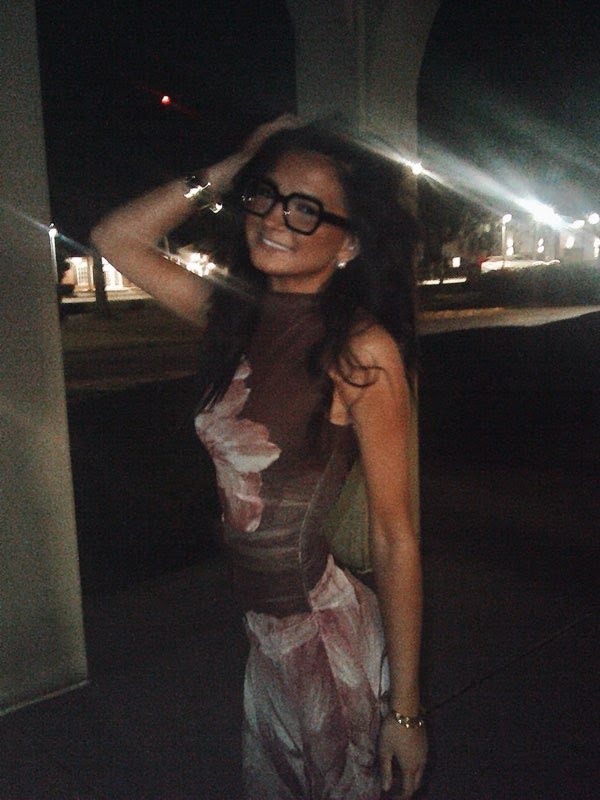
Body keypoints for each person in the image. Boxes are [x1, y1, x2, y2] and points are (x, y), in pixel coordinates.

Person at [92, 115, 427, 800]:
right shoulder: (235, 316)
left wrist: (406, 710)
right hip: (265, 633)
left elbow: (396, 537)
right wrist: (230, 167)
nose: (274, 218)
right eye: (266, 195)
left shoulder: (361, 351)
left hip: (323, 634)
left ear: (349, 242)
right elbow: (114, 238)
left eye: (306, 210)